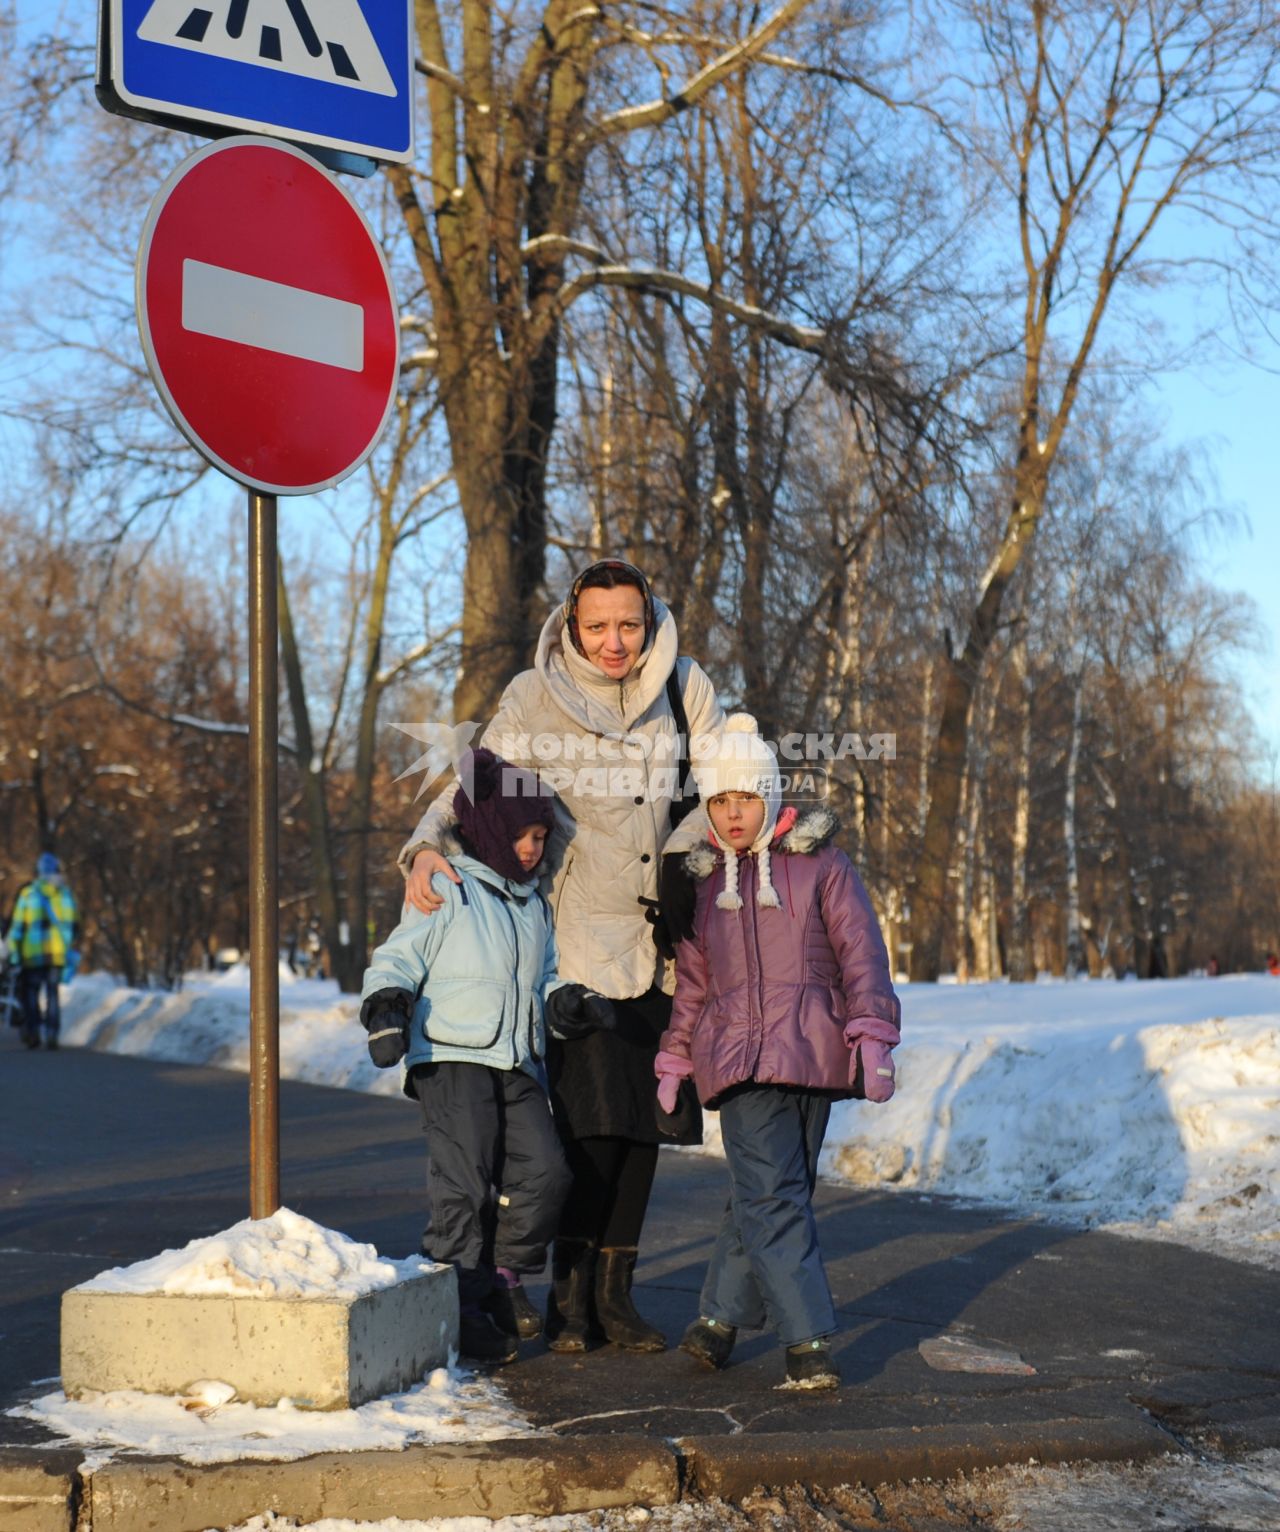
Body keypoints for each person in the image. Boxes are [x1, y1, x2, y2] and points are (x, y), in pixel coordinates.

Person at [399, 559, 723, 1352]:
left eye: (629, 625)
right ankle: (568, 1294)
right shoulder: (534, 696)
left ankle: (617, 1298)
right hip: (575, 938)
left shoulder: (686, 688)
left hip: (664, 941)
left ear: (649, 620)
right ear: (572, 625)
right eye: (598, 626)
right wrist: (421, 849)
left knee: (648, 1126)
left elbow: (724, 788)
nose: (615, 642)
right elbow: (473, 787)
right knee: (588, 1128)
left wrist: (712, 851)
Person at [654, 715, 901, 1390]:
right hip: (738, 1061)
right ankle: (808, 1337)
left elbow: (862, 952)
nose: (733, 814)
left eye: (745, 799)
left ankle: (717, 1319)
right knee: (773, 1195)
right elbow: (694, 986)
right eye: (719, 802)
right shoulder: (706, 886)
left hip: (814, 1052)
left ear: (769, 795)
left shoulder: (822, 864)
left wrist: (872, 1033)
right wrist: (675, 1057)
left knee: (769, 1193)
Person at [361, 748, 615, 1365]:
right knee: (466, 1184)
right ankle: (460, 1304)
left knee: (547, 1173)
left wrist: (567, 1002)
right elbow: (398, 957)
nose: (531, 849)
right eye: (522, 835)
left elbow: (545, 977)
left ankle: (500, 1276)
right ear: (491, 828)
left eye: (540, 837)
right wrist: (386, 1008)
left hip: (516, 1059)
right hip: (451, 1055)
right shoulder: (449, 887)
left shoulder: (532, 906)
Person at [5, 852, 80, 1052]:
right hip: (57, 953)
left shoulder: (28, 894)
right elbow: (74, 924)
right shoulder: (64, 894)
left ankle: (33, 1030)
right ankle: (53, 1033)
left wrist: (13, 951)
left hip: (32, 953)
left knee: (31, 993)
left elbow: (18, 925)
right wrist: (69, 944)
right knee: (52, 994)